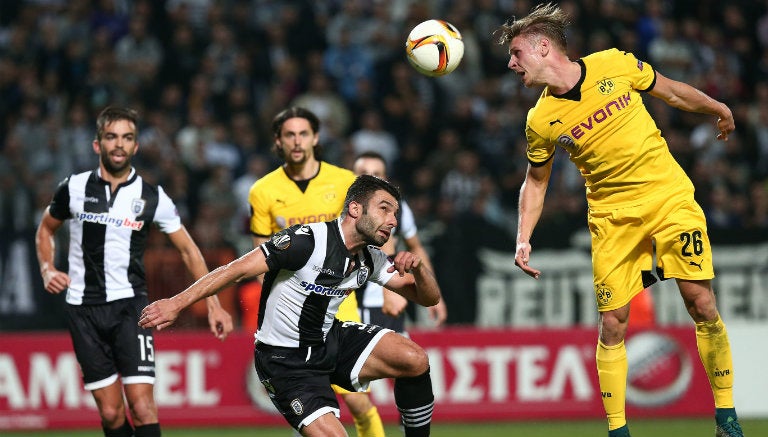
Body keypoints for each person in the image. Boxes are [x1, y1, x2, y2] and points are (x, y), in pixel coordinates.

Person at [496, 4, 743, 437]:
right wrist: (523, 237)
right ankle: (618, 431)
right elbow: (536, 181)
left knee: (701, 303)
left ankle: (727, 419)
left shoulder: (614, 63)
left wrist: (715, 107)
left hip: (669, 199)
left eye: (516, 53)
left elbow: (670, 91)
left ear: (543, 47)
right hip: (612, 219)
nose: (511, 64)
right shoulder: (540, 120)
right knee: (613, 323)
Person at [140, 174, 440, 437]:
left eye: (395, 213)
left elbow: (429, 298)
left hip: (329, 341)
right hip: (286, 361)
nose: (393, 221)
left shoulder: (370, 258)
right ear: (355, 209)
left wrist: (419, 269)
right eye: (384, 209)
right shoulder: (306, 241)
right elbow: (235, 270)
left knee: (414, 359)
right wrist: (176, 303)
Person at [35, 106, 234, 437]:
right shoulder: (73, 187)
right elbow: (45, 229)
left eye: (127, 138)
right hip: (83, 309)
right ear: (97, 144)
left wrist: (213, 304)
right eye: (111, 137)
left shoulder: (153, 197)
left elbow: (189, 250)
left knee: (142, 408)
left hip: (130, 307)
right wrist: (46, 268)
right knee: (111, 414)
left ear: (136, 146)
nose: (119, 144)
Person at [247, 107, 384, 436]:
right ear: (278, 141)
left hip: (338, 299)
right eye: (289, 135)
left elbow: (371, 232)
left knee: (358, 401)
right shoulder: (262, 191)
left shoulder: (344, 181)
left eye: (303, 134)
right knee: (309, 401)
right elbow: (260, 255)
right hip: (291, 309)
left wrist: (388, 283)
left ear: (315, 138)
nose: (297, 141)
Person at [352, 151, 447, 330]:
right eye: (363, 173)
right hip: (354, 302)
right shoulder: (341, 208)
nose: (370, 178)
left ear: (385, 178)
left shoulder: (399, 208)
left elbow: (415, 247)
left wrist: (434, 294)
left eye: (377, 173)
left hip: (390, 300)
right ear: (352, 176)